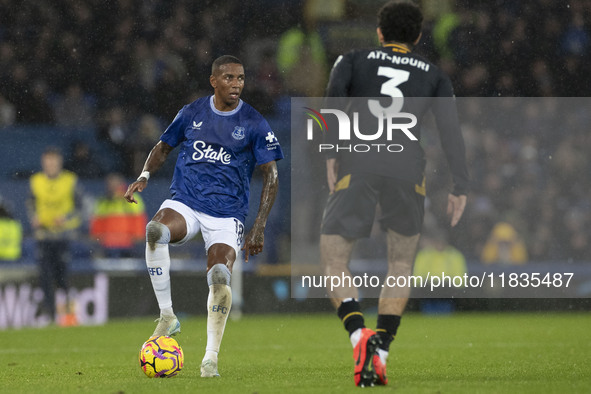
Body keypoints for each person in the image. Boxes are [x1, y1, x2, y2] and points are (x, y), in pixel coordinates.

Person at [320, 2, 469, 387]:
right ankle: (380, 351)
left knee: (335, 261)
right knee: (401, 264)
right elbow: (451, 132)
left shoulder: (350, 60)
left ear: (379, 32)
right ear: (418, 37)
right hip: (407, 169)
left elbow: (332, 103)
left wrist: (331, 152)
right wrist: (460, 185)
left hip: (359, 159)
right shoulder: (435, 76)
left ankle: (359, 336)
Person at [124, 55, 283, 378]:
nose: (236, 84)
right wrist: (144, 175)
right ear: (214, 81)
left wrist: (259, 226)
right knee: (155, 230)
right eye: (228, 78)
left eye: (240, 78)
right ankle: (167, 315)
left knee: (220, 277)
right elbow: (164, 146)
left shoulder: (253, 122)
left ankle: (210, 358)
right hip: (187, 200)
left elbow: (272, 175)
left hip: (227, 215)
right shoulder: (192, 112)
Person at [27, 147, 81, 326]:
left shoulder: (70, 180)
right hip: (43, 236)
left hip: (63, 236)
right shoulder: (36, 181)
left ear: (59, 162)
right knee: (45, 277)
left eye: (53, 162)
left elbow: (81, 209)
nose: (50, 165)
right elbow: (31, 204)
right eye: (47, 162)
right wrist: (34, 218)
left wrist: (65, 219)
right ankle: (49, 315)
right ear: (43, 163)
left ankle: (69, 314)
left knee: (64, 277)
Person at [90, 173, 147, 257]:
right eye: (109, 184)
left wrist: (136, 240)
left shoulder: (132, 198)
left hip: (129, 246)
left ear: (120, 184)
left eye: (114, 184)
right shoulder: (102, 201)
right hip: (107, 246)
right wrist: (99, 239)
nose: (111, 187)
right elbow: (96, 227)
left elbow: (139, 223)